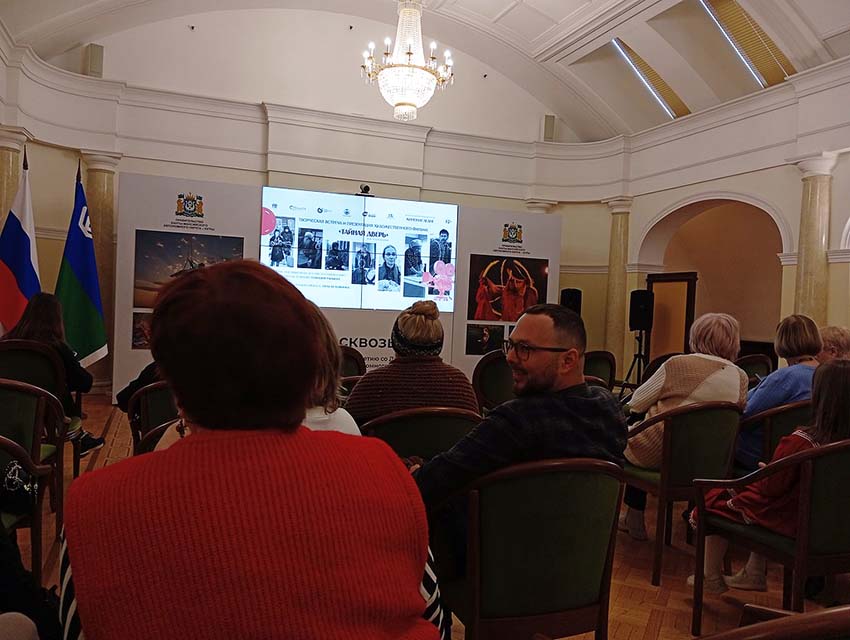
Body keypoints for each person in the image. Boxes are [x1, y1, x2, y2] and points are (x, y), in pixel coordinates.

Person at [62, 261, 440, 640]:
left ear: (172, 382)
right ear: (309, 363)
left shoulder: (94, 506)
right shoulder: (383, 470)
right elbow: (432, 616)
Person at [413, 304, 627, 510]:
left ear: (568, 360)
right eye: (510, 345)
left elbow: (429, 484)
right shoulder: (609, 407)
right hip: (584, 535)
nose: (510, 357)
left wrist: (414, 469)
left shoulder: (516, 420)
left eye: (525, 349)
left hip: (493, 535)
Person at [688, 359, 850, 594]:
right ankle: (753, 572)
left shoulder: (801, 442)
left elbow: (771, 489)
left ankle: (710, 576)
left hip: (795, 522)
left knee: (716, 497)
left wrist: (769, 470)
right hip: (835, 526)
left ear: (820, 398)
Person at [619, 313, 748, 540]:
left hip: (657, 453)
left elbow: (636, 403)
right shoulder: (741, 377)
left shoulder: (677, 364)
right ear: (733, 342)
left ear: (695, 337)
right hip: (708, 462)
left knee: (628, 428)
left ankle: (634, 515)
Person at [344, 301, 479, 426]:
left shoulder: (370, 385)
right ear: (440, 342)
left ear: (395, 342)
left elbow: (347, 432)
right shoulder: (460, 386)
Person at [2, 293, 103, 456]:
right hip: (44, 415)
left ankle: (80, 437)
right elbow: (84, 383)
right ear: (57, 319)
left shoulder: (5, 343)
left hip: (6, 410)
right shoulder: (57, 349)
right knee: (56, 388)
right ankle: (78, 437)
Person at [736, 314, 821, 471]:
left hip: (765, 454)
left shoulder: (785, 377)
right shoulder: (825, 373)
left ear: (782, 341)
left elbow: (745, 414)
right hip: (807, 455)